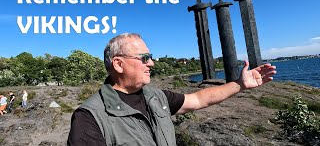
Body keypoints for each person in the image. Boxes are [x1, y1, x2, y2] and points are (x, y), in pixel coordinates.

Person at [67, 33, 276, 146]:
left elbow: (198, 99)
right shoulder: (90, 117)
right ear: (119, 64)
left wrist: (239, 84)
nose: (152, 63)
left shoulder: (156, 97)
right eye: (144, 58)